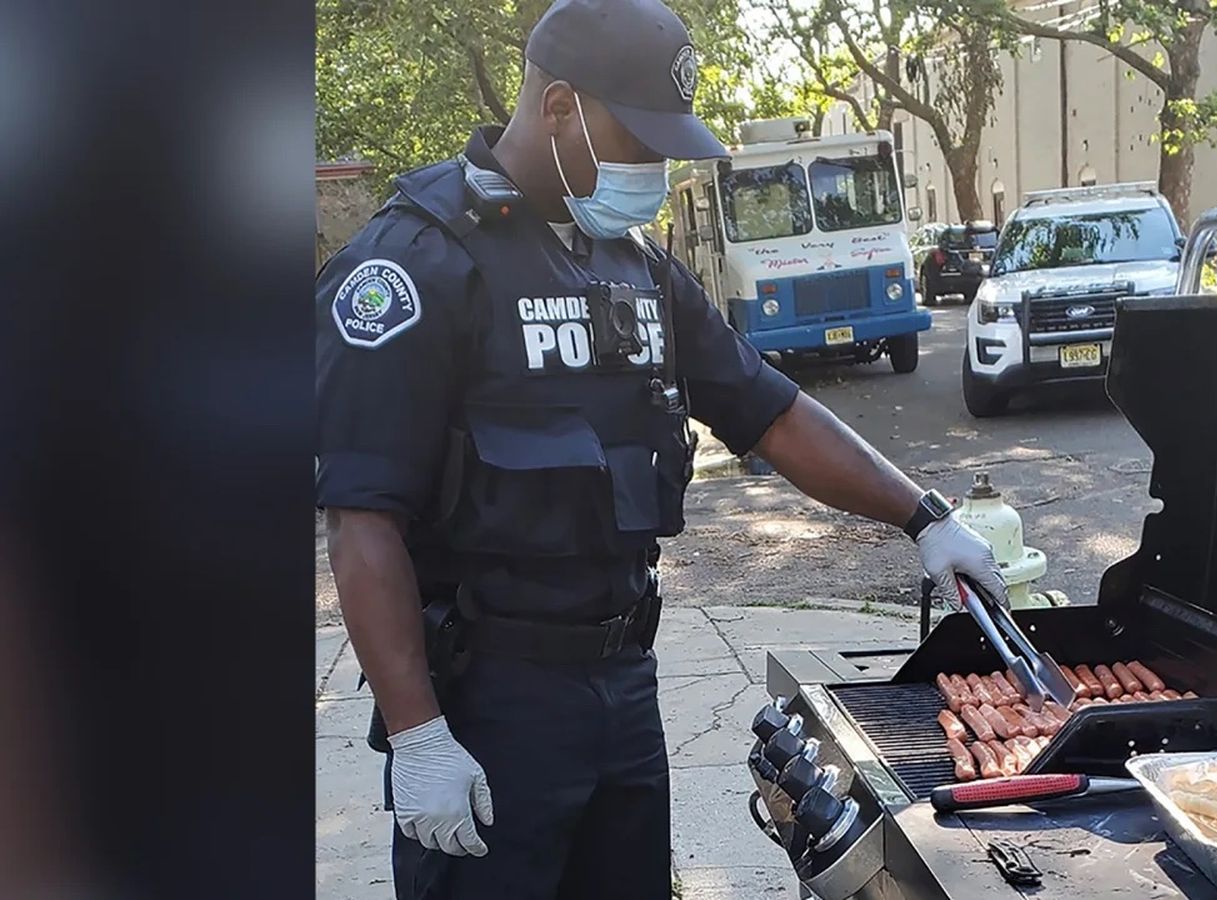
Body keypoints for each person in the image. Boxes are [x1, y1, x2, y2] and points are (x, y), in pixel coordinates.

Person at [315, 1, 1008, 897]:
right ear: (560, 108)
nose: (656, 167)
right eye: (639, 141)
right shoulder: (414, 265)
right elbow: (362, 518)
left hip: (624, 687)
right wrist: (416, 737)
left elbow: (772, 412)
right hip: (487, 703)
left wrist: (925, 518)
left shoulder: (635, 266)